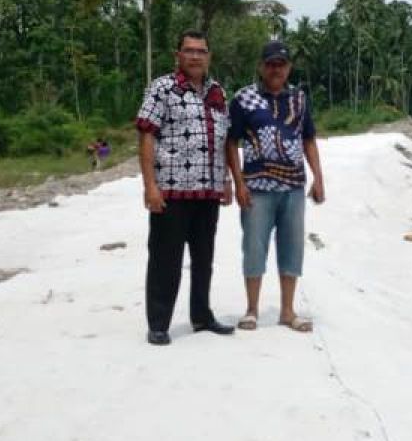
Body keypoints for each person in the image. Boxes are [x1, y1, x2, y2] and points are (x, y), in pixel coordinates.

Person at [135, 30, 235, 345]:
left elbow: (224, 140)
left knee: (204, 258)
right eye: (189, 50)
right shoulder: (163, 89)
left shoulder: (217, 92)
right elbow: (147, 135)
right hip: (171, 191)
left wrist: (228, 180)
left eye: (201, 51)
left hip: (208, 192)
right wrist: (149, 185)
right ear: (178, 54)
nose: (195, 56)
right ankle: (159, 323)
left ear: (209, 56)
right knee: (166, 258)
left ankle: (202, 316)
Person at [226, 39, 326, 333]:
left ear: (289, 68)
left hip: (294, 187)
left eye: (281, 64)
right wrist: (238, 182)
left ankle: (287, 311)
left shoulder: (299, 99)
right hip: (256, 188)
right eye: (270, 64)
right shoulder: (243, 99)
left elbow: (308, 139)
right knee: (254, 247)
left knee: (292, 248)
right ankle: (252, 310)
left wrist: (319, 177)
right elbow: (231, 142)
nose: (275, 69)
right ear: (261, 66)